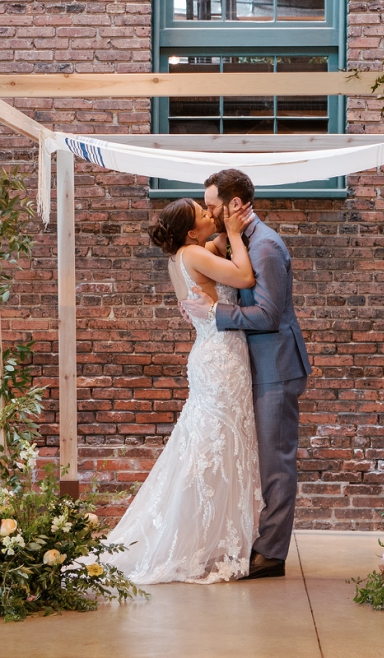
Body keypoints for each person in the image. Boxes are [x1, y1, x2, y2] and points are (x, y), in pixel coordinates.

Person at [106, 198, 260, 584]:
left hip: (209, 355)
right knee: (216, 447)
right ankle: (202, 536)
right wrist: (238, 235)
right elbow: (244, 278)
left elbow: (214, 251)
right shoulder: (194, 251)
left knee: (206, 447)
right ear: (191, 231)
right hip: (221, 358)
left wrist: (224, 231)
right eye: (204, 213)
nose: (212, 213)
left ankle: (203, 532)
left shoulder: (181, 255)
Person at [177, 169, 312, 581]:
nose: (210, 213)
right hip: (250, 365)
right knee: (255, 459)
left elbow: (269, 314)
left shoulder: (267, 246)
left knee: (275, 462)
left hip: (276, 365)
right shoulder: (238, 238)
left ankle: (271, 555)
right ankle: (251, 538)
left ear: (235, 205)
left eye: (212, 205)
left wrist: (216, 313)